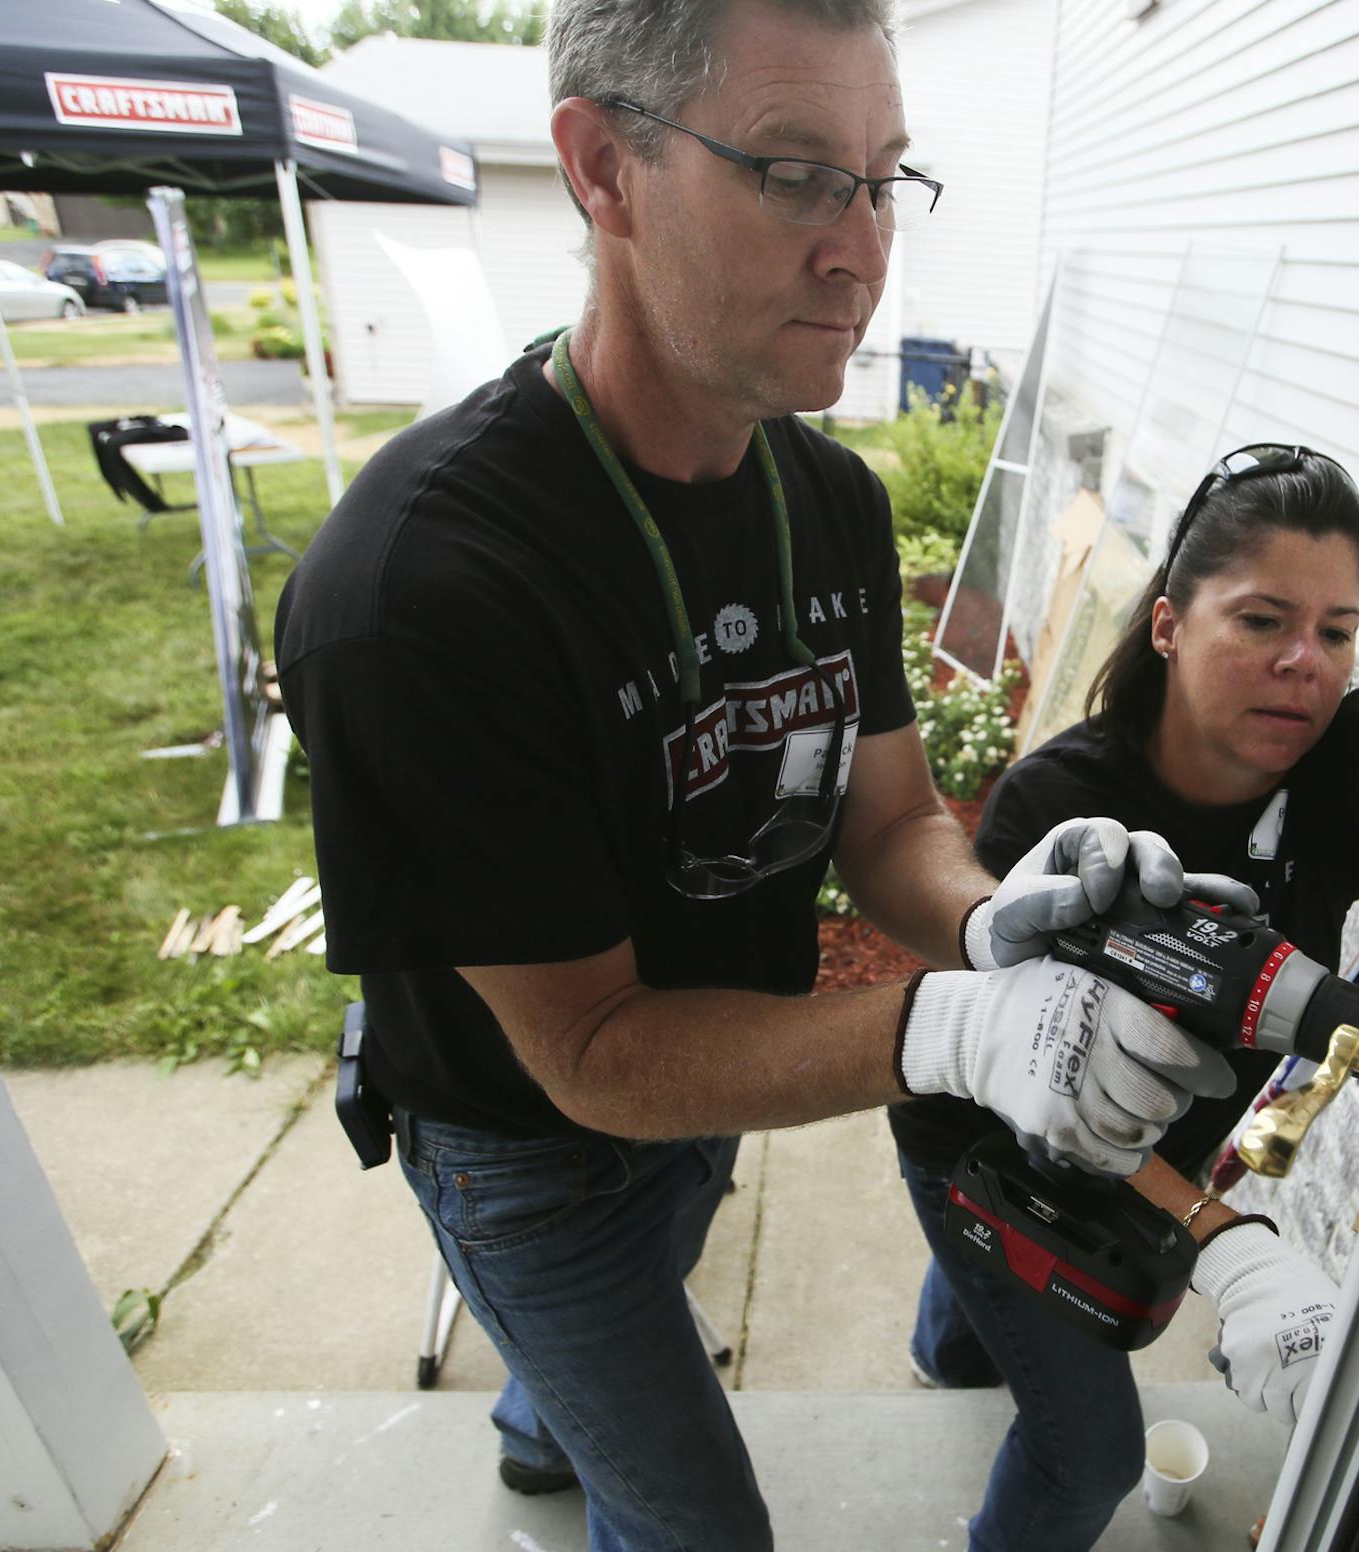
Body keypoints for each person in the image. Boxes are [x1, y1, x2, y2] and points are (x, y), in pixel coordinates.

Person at [271, 3, 1245, 1548]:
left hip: (718, 1071)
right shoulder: (419, 592)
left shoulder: (829, 501)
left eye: (885, 179)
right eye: (797, 176)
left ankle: (547, 1416)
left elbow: (891, 819)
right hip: (528, 1137)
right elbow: (590, 1051)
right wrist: (958, 1028)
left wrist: (998, 921)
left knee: (629, 1313)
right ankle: (560, 1398)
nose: (864, 251)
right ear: (604, 168)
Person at [886, 443, 1359, 1550]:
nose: (1307, 662)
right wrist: (1225, 1240)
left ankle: (950, 1345)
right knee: (1085, 1450)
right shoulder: (1064, 810)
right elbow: (1042, 1089)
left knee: (983, 1304)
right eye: (1262, 620)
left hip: (1164, 1138)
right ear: (1168, 624)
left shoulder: (1331, 756)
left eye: (1337, 630)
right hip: (996, 1146)